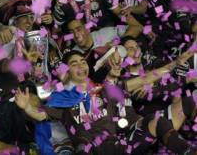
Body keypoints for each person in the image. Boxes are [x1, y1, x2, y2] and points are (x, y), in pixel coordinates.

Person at [15, 50, 196, 155]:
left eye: (83, 62)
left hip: (119, 147)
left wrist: (173, 64)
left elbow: (146, 79)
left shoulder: (104, 90)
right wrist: (26, 107)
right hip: (90, 151)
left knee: (157, 121)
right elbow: (39, 114)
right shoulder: (62, 101)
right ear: (67, 71)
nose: (81, 65)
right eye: (74, 63)